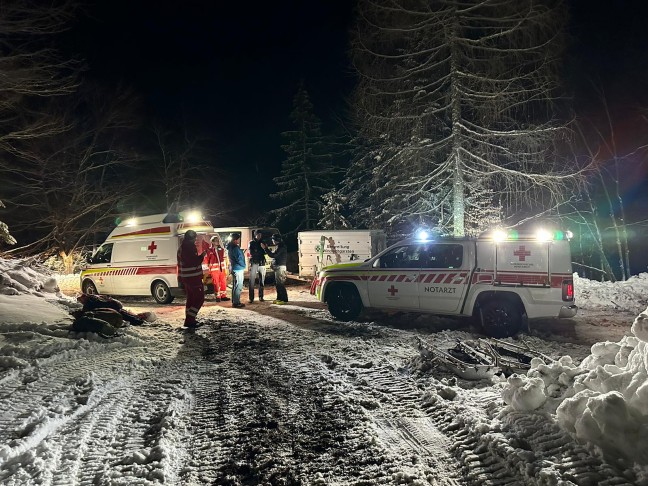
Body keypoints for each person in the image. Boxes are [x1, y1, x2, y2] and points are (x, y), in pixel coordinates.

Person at [178, 229, 207, 328]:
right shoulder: (189, 247)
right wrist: (202, 256)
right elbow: (194, 262)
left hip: (187, 277)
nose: (195, 240)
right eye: (194, 238)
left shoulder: (182, 247)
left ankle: (189, 319)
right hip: (193, 277)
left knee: (191, 299)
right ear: (192, 238)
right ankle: (190, 320)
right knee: (199, 298)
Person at [263, 233, 288, 304]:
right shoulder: (278, 246)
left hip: (280, 267)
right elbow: (275, 257)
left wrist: (265, 248)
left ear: (277, 240)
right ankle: (279, 298)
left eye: (273, 239)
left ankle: (284, 299)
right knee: (278, 284)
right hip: (278, 267)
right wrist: (272, 264)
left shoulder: (281, 246)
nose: (272, 241)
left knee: (280, 284)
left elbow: (273, 255)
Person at [205, 235, 229, 302]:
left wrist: (226, 268)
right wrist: (208, 268)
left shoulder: (221, 249)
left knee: (223, 282)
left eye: (218, 241)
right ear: (212, 242)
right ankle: (218, 296)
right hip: (214, 270)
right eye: (216, 241)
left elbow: (225, 259)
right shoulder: (209, 251)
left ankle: (223, 296)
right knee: (216, 284)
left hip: (222, 269)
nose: (218, 242)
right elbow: (206, 260)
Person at [226, 232, 246, 308]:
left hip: (234, 268)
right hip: (238, 268)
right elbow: (239, 258)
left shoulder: (230, 247)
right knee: (238, 285)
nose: (239, 241)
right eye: (238, 239)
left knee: (235, 285)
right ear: (235, 240)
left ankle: (234, 301)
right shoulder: (235, 248)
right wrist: (243, 265)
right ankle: (236, 302)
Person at [247, 230, 267, 303]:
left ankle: (261, 296)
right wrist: (260, 251)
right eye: (258, 235)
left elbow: (265, 251)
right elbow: (251, 252)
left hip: (262, 263)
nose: (259, 236)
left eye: (260, 235)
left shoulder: (263, 242)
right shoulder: (251, 243)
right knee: (252, 281)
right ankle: (251, 298)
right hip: (254, 263)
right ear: (255, 235)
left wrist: (258, 251)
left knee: (261, 281)